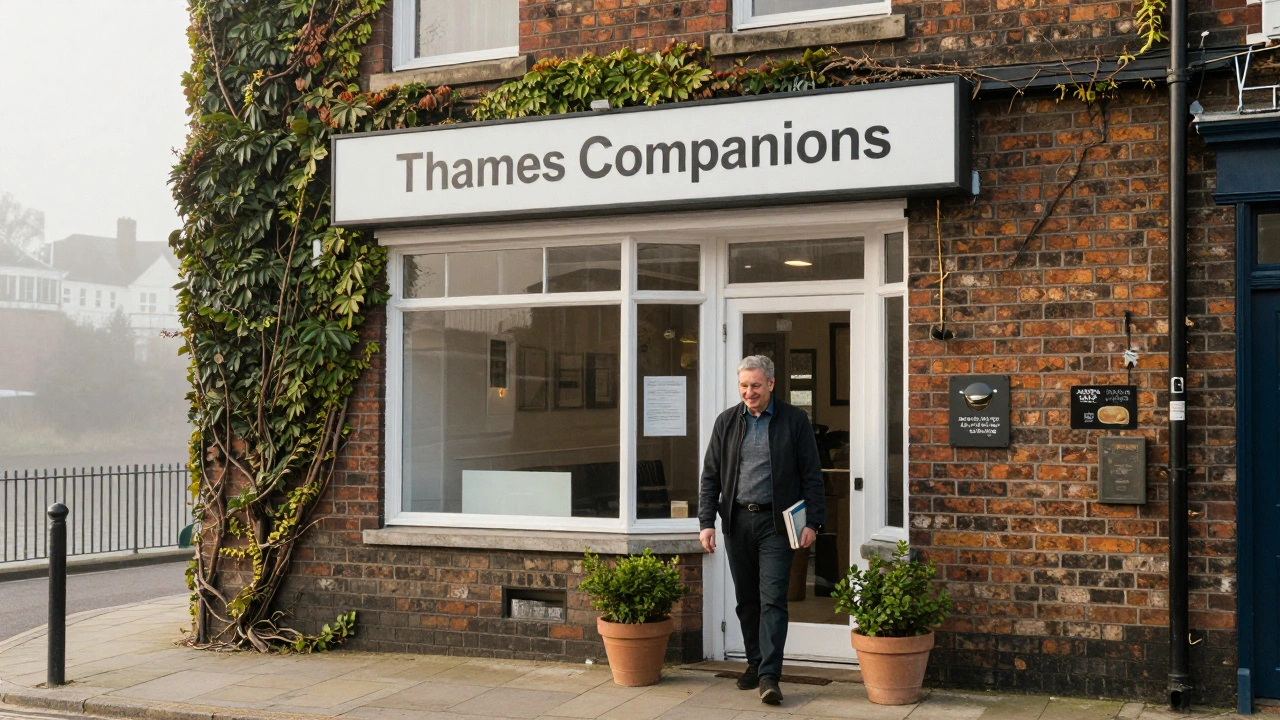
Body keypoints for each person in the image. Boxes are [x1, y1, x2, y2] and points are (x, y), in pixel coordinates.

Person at [698, 354, 826, 705]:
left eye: (755, 385)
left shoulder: (795, 421)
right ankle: (754, 663)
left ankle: (770, 676)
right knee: (747, 601)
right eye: (743, 386)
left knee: (773, 600)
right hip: (737, 521)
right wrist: (706, 522)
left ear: (771, 383)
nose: (749, 392)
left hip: (776, 524)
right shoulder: (726, 422)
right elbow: (710, 476)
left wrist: (813, 522)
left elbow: (811, 476)